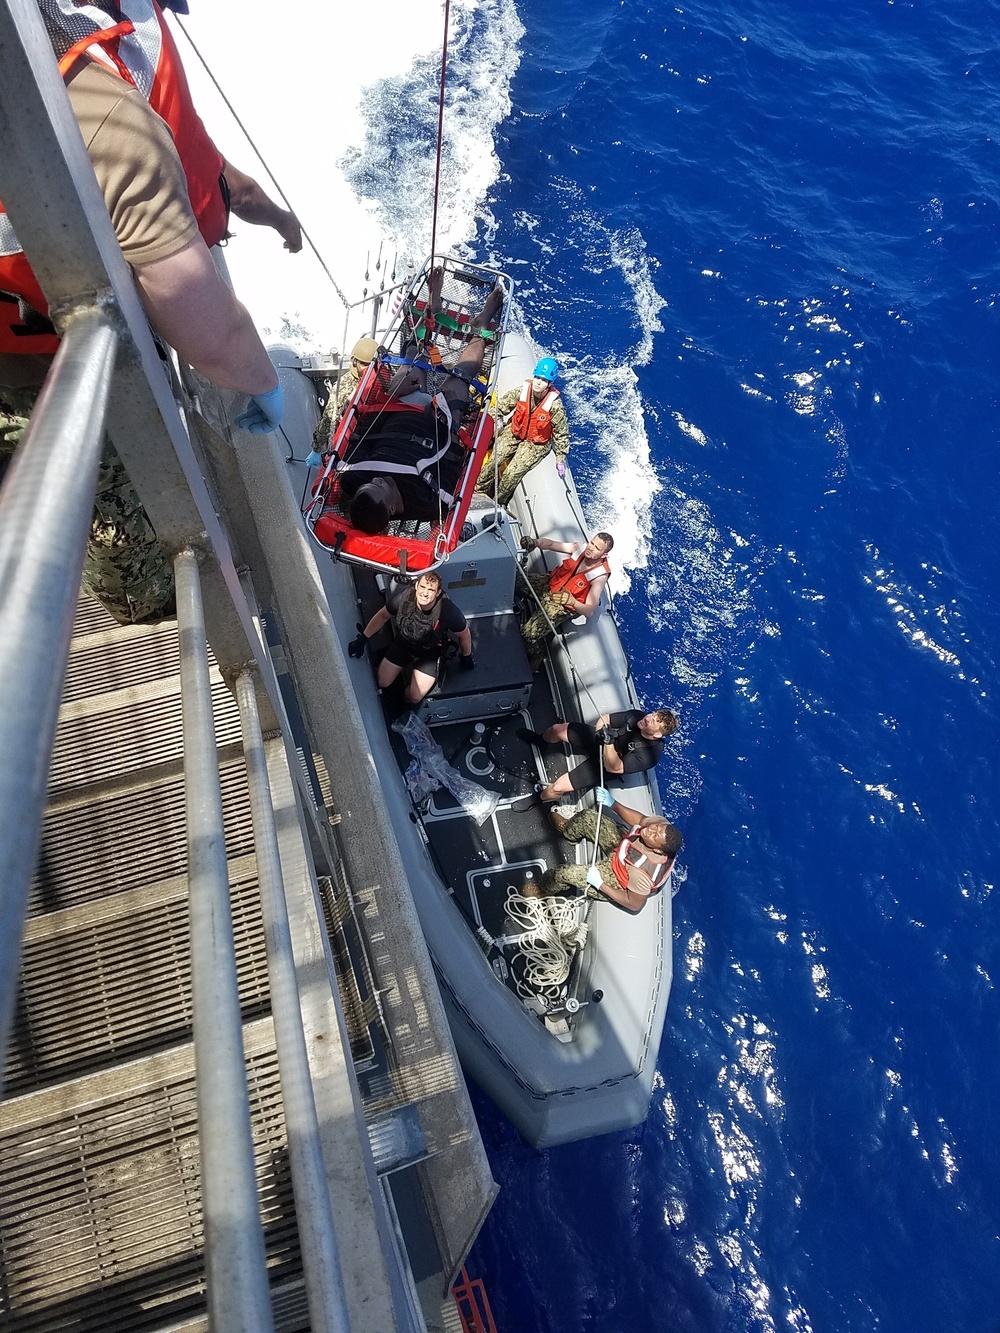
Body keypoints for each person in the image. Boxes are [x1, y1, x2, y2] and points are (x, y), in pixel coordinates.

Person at [0, 1, 297, 619]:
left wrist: (276, 218)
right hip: (50, 353)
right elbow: (209, 332)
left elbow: (219, 175)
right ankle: (142, 605)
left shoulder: (114, 40)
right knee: (114, 494)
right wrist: (265, 382)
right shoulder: (100, 110)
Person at [338, 274, 504, 534]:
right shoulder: (429, 503)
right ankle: (481, 324)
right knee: (457, 383)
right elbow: (454, 464)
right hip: (437, 422)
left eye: (370, 483)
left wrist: (393, 395)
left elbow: (363, 433)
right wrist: (450, 422)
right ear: (391, 509)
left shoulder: (352, 478)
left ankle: (431, 313)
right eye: (379, 487)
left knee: (410, 368)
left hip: (400, 408)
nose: (376, 479)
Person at [535, 790, 682, 914]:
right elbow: (641, 819)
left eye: (655, 836)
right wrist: (613, 803)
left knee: (565, 873)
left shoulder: (643, 874)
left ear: (657, 849)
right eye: (655, 828)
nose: (651, 830)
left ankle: (542, 888)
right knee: (587, 817)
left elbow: (634, 904)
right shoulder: (660, 826)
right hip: (623, 850)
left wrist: (599, 884)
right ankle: (568, 831)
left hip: (617, 877)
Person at [347, 569, 475, 704]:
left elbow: (464, 633)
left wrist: (466, 656)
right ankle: (387, 661)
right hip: (404, 643)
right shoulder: (403, 599)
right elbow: (382, 616)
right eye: (423, 587)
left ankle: (404, 700)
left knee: (414, 697)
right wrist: (362, 639)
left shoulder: (448, 611)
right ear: (416, 586)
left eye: (431, 590)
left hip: (428, 652)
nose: (425, 593)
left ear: (437, 593)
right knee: (382, 682)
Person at [521, 707, 679, 804]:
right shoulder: (637, 717)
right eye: (653, 714)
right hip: (602, 741)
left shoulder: (649, 756)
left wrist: (608, 743)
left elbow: (613, 767)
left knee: (557, 787)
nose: (648, 718)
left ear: (658, 735)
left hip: (605, 765)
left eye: (654, 721)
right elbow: (606, 718)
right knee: (557, 729)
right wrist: (599, 733)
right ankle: (540, 740)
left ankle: (537, 799)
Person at [478, 356, 569, 507]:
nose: (539, 382)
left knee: (511, 474)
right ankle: (477, 490)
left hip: (535, 444)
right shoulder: (522, 392)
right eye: (538, 377)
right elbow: (501, 407)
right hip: (514, 432)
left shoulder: (555, 406)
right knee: (493, 461)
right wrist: (490, 422)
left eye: (544, 380)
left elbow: (561, 432)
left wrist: (560, 457)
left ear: (549, 384)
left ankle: (498, 502)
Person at [517, 531, 613, 670]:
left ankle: (537, 655)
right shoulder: (579, 548)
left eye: (597, 548)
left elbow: (590, 610)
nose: (591, 548)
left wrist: (572, 601)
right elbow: (550, 544)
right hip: (550, 584)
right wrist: (535, 542)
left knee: (528, 634)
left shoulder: (599, 576)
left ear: (604, 555)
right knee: (516, 581)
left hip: (561, 604)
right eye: (592, 543)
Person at [308, 336, 378, 463]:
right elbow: (329, 419)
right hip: (351, 435)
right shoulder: (343, 388)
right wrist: (317, 448)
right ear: (355, 361)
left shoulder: (380, 379)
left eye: (371, 364)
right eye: (364, 364)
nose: (368, 369)